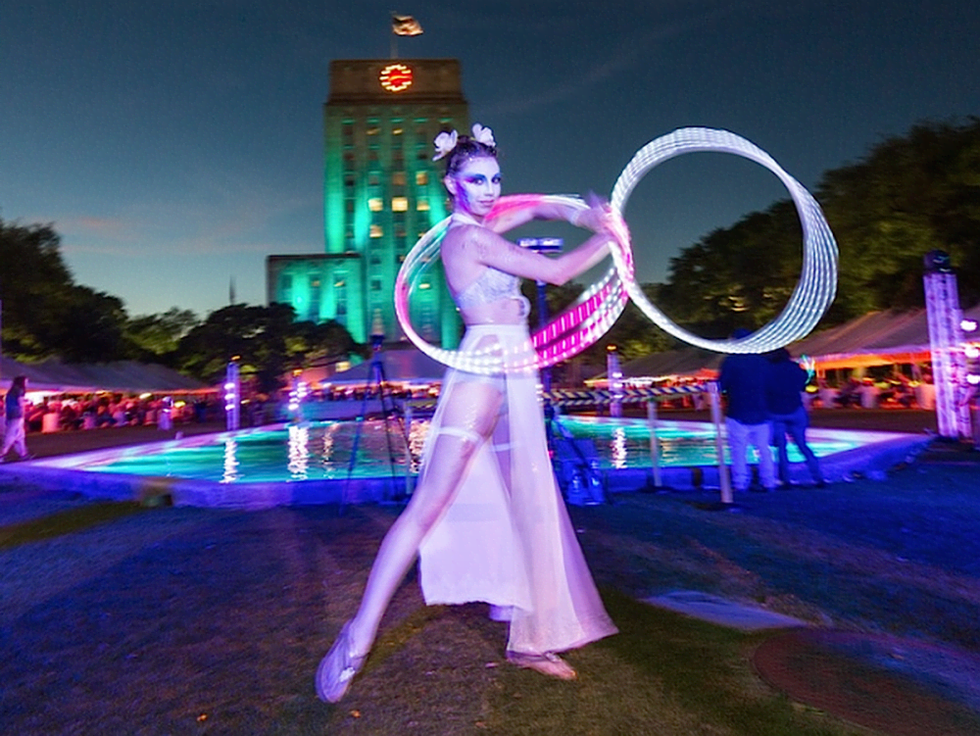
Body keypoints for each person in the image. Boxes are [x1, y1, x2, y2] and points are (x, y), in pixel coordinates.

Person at [315, 124, 618, 703]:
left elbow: (539, 207)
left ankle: (528, 635)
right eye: (476, 180)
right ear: (452, 184)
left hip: (516, 371)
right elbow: (555, 273)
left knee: (528, 495)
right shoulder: (466, 238)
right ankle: (357, 637)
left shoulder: (487, 226)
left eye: (496, 178)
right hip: (482, 372)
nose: (488, 189)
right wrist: (610, 237)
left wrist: (584, 215)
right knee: (426, 507)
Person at [718, 333, 776, 492]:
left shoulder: (731, 361)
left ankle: (740, 482)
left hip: (738, 410)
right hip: (762, 412)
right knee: (764, 449)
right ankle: (769, 481)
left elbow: (720, 385)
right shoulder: (763, 362)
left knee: (738, 450)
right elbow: (771, 386)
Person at [765, 349, 826, 487]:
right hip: (796, 410)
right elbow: (803, 383)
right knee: (802, 445)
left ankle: (785, 480)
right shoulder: (796, 369)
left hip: (776, 411)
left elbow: (764, 389)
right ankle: (818, 477)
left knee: (781, 448)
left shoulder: (768, 370)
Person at [1, 375, 31, 462]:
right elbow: (21, 403)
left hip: (11, 415)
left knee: (20, 436)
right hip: (17, 416)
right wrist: (24, 415)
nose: (27, 383)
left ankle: (23, 454)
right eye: (26, 381)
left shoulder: (11, 391)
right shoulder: (19, 390)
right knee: (11, 436)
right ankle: (2, 454)